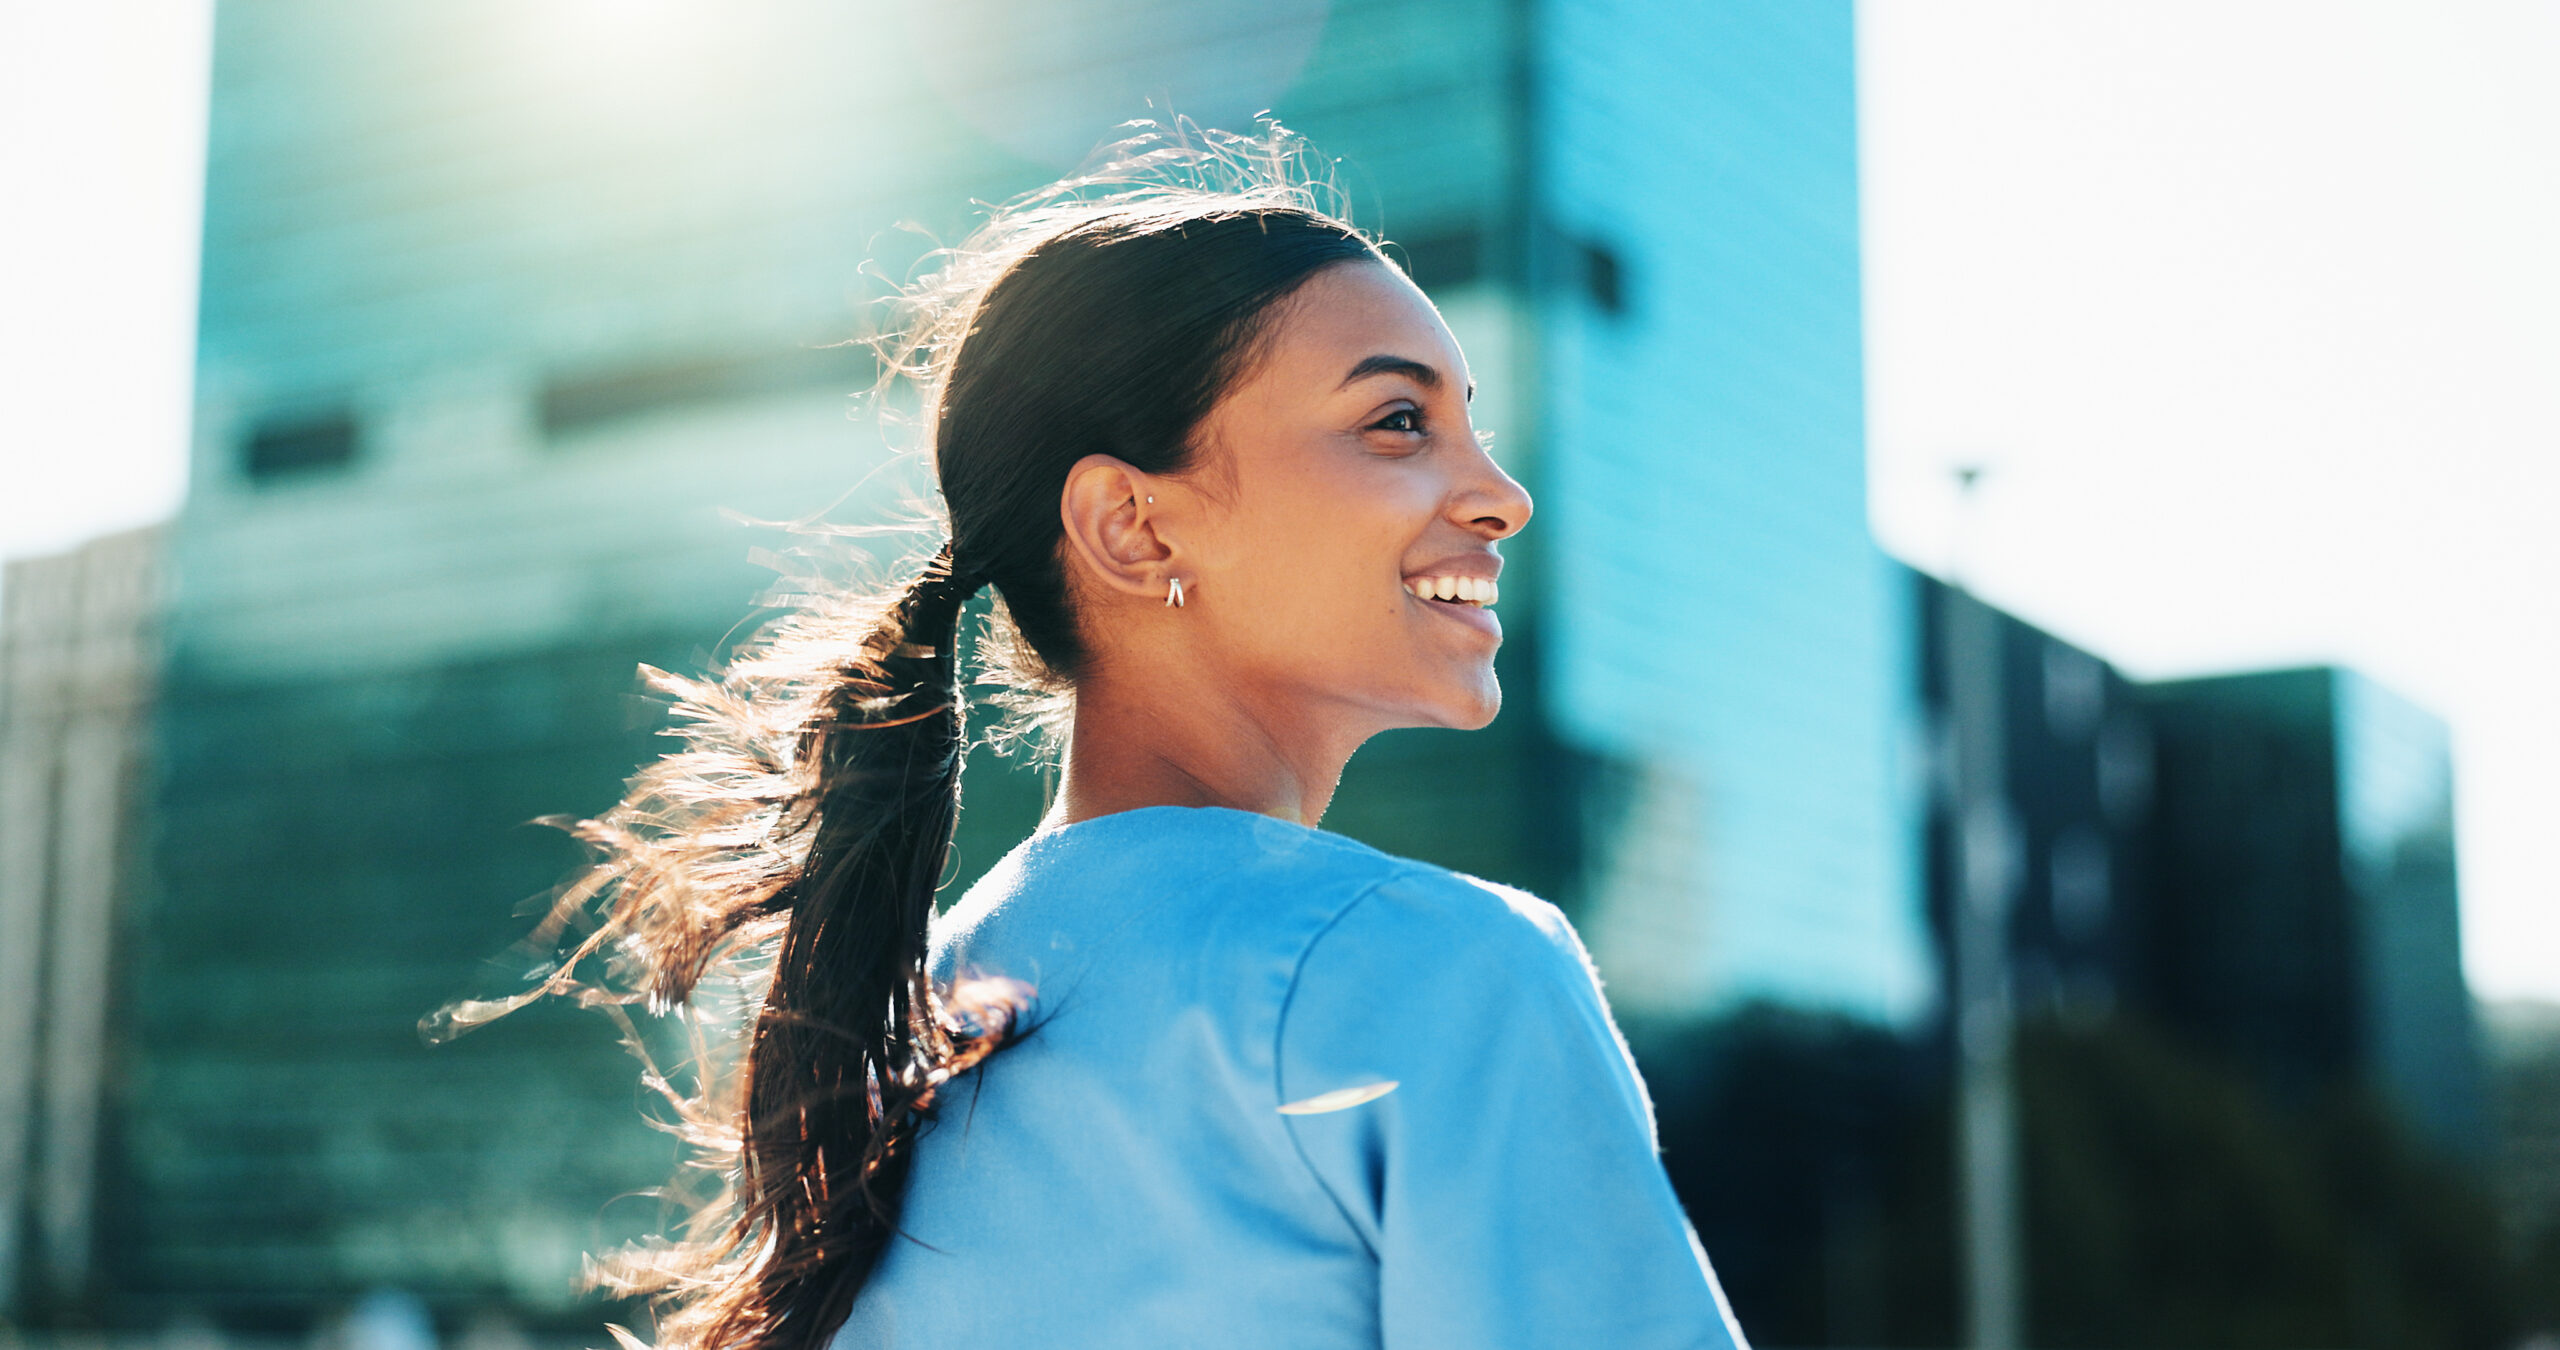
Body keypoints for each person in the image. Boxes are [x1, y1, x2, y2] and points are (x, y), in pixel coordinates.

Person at [447, 124, 1748, 1350]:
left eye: (1471, 420)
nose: (1501, 493)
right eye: (1397, 420)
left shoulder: (895, 1041)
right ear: (1133, 527)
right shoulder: (1440, 977)